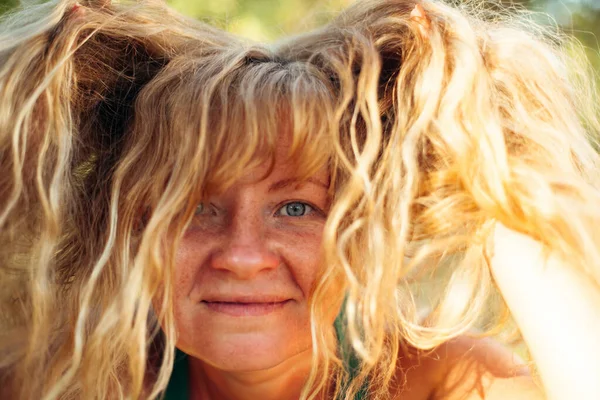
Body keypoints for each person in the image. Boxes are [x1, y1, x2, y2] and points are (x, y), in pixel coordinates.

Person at [1, 0, 599, 399]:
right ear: (130, 231)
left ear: (362, 229)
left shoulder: (453, 382)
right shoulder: (75, 377)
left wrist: (502, 176)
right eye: (191, 208)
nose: (242, 256)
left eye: (296, 208)